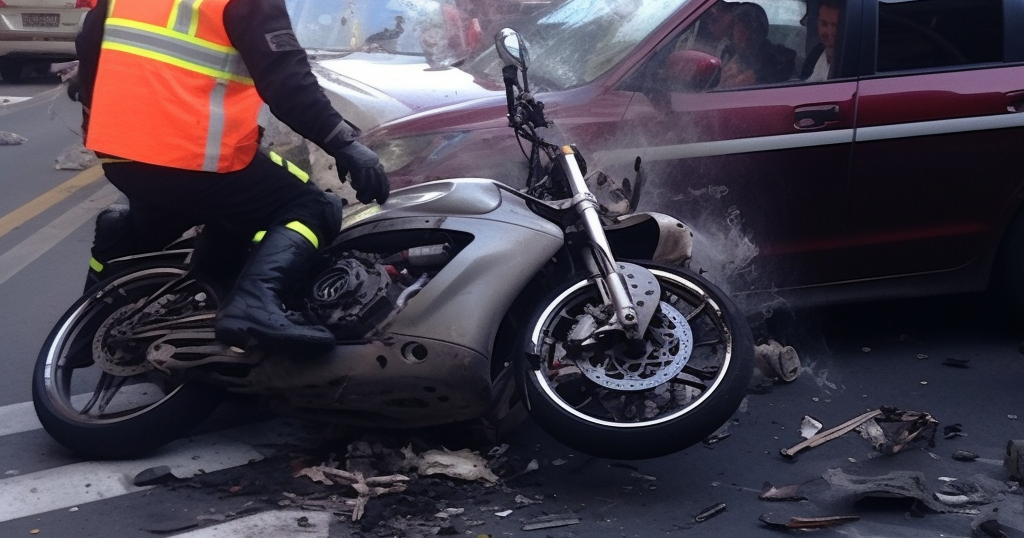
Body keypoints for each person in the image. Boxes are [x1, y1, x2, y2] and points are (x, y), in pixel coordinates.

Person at [74, 0, 389, 350]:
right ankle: (254, 302)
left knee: (198, 209)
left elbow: (89, 48)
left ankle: (93, 310)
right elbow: (288, 82)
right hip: (195, 157)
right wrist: (344, 144)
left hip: (122, 156)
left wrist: (94, 115)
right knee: (312, 205)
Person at [718, 2, 795, 88]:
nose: (737, 31)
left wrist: (757, 77)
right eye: (735, 25)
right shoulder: (728, 52)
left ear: (757, 29)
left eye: (745, 26)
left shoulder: (778, 58)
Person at [801, 0, 841, 81]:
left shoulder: (852, 61)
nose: (827, 32)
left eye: (835, 26)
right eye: (824, 24)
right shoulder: (815, 54)